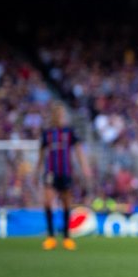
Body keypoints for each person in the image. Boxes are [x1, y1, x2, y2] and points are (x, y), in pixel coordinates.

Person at [37, 104, 90, 250]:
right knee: (48, 202)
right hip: (50, 172)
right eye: (58, 114)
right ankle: (51, 237)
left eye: (62, 114)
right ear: (53, 115)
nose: (61, 117)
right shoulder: (47, 133)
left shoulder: (69, 132)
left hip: (65, 172)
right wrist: (37, 171)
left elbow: (78, 150)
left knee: (66, 203)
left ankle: (67, 237)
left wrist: (84, 167)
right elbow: (41, 154)